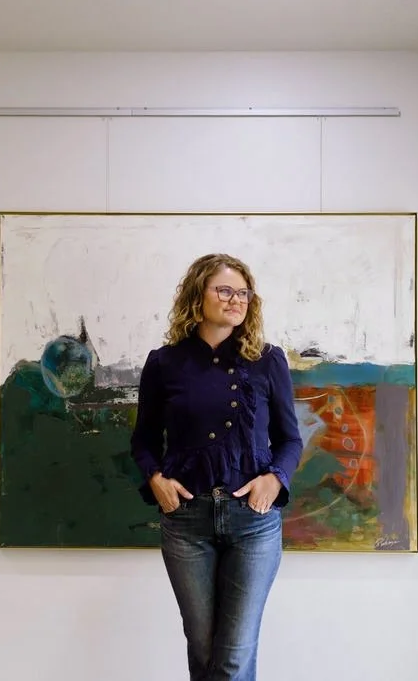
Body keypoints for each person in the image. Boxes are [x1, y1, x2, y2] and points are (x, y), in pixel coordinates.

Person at [130, 253, 304, 681]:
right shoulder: (164, 363)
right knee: (205, 653)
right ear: (197, 295)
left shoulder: (268, 360)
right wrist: (155, 478)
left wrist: (275, 478)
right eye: (224, 290)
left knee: (231, 658)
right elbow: (144, 439)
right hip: (186, 523)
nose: (235, 300)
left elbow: (290, 439)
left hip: (254, 524)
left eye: (243, 293)